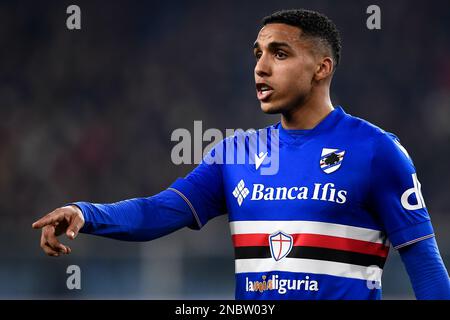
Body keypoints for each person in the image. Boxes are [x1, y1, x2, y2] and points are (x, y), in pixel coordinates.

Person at [32, 9, 450, 300]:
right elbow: (156, 212)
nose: (261, 67)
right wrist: (86, 212)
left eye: (279, 54)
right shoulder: (235, 154)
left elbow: (426, 267)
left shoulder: (378, 151)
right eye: (258, 54)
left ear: (322, 68)